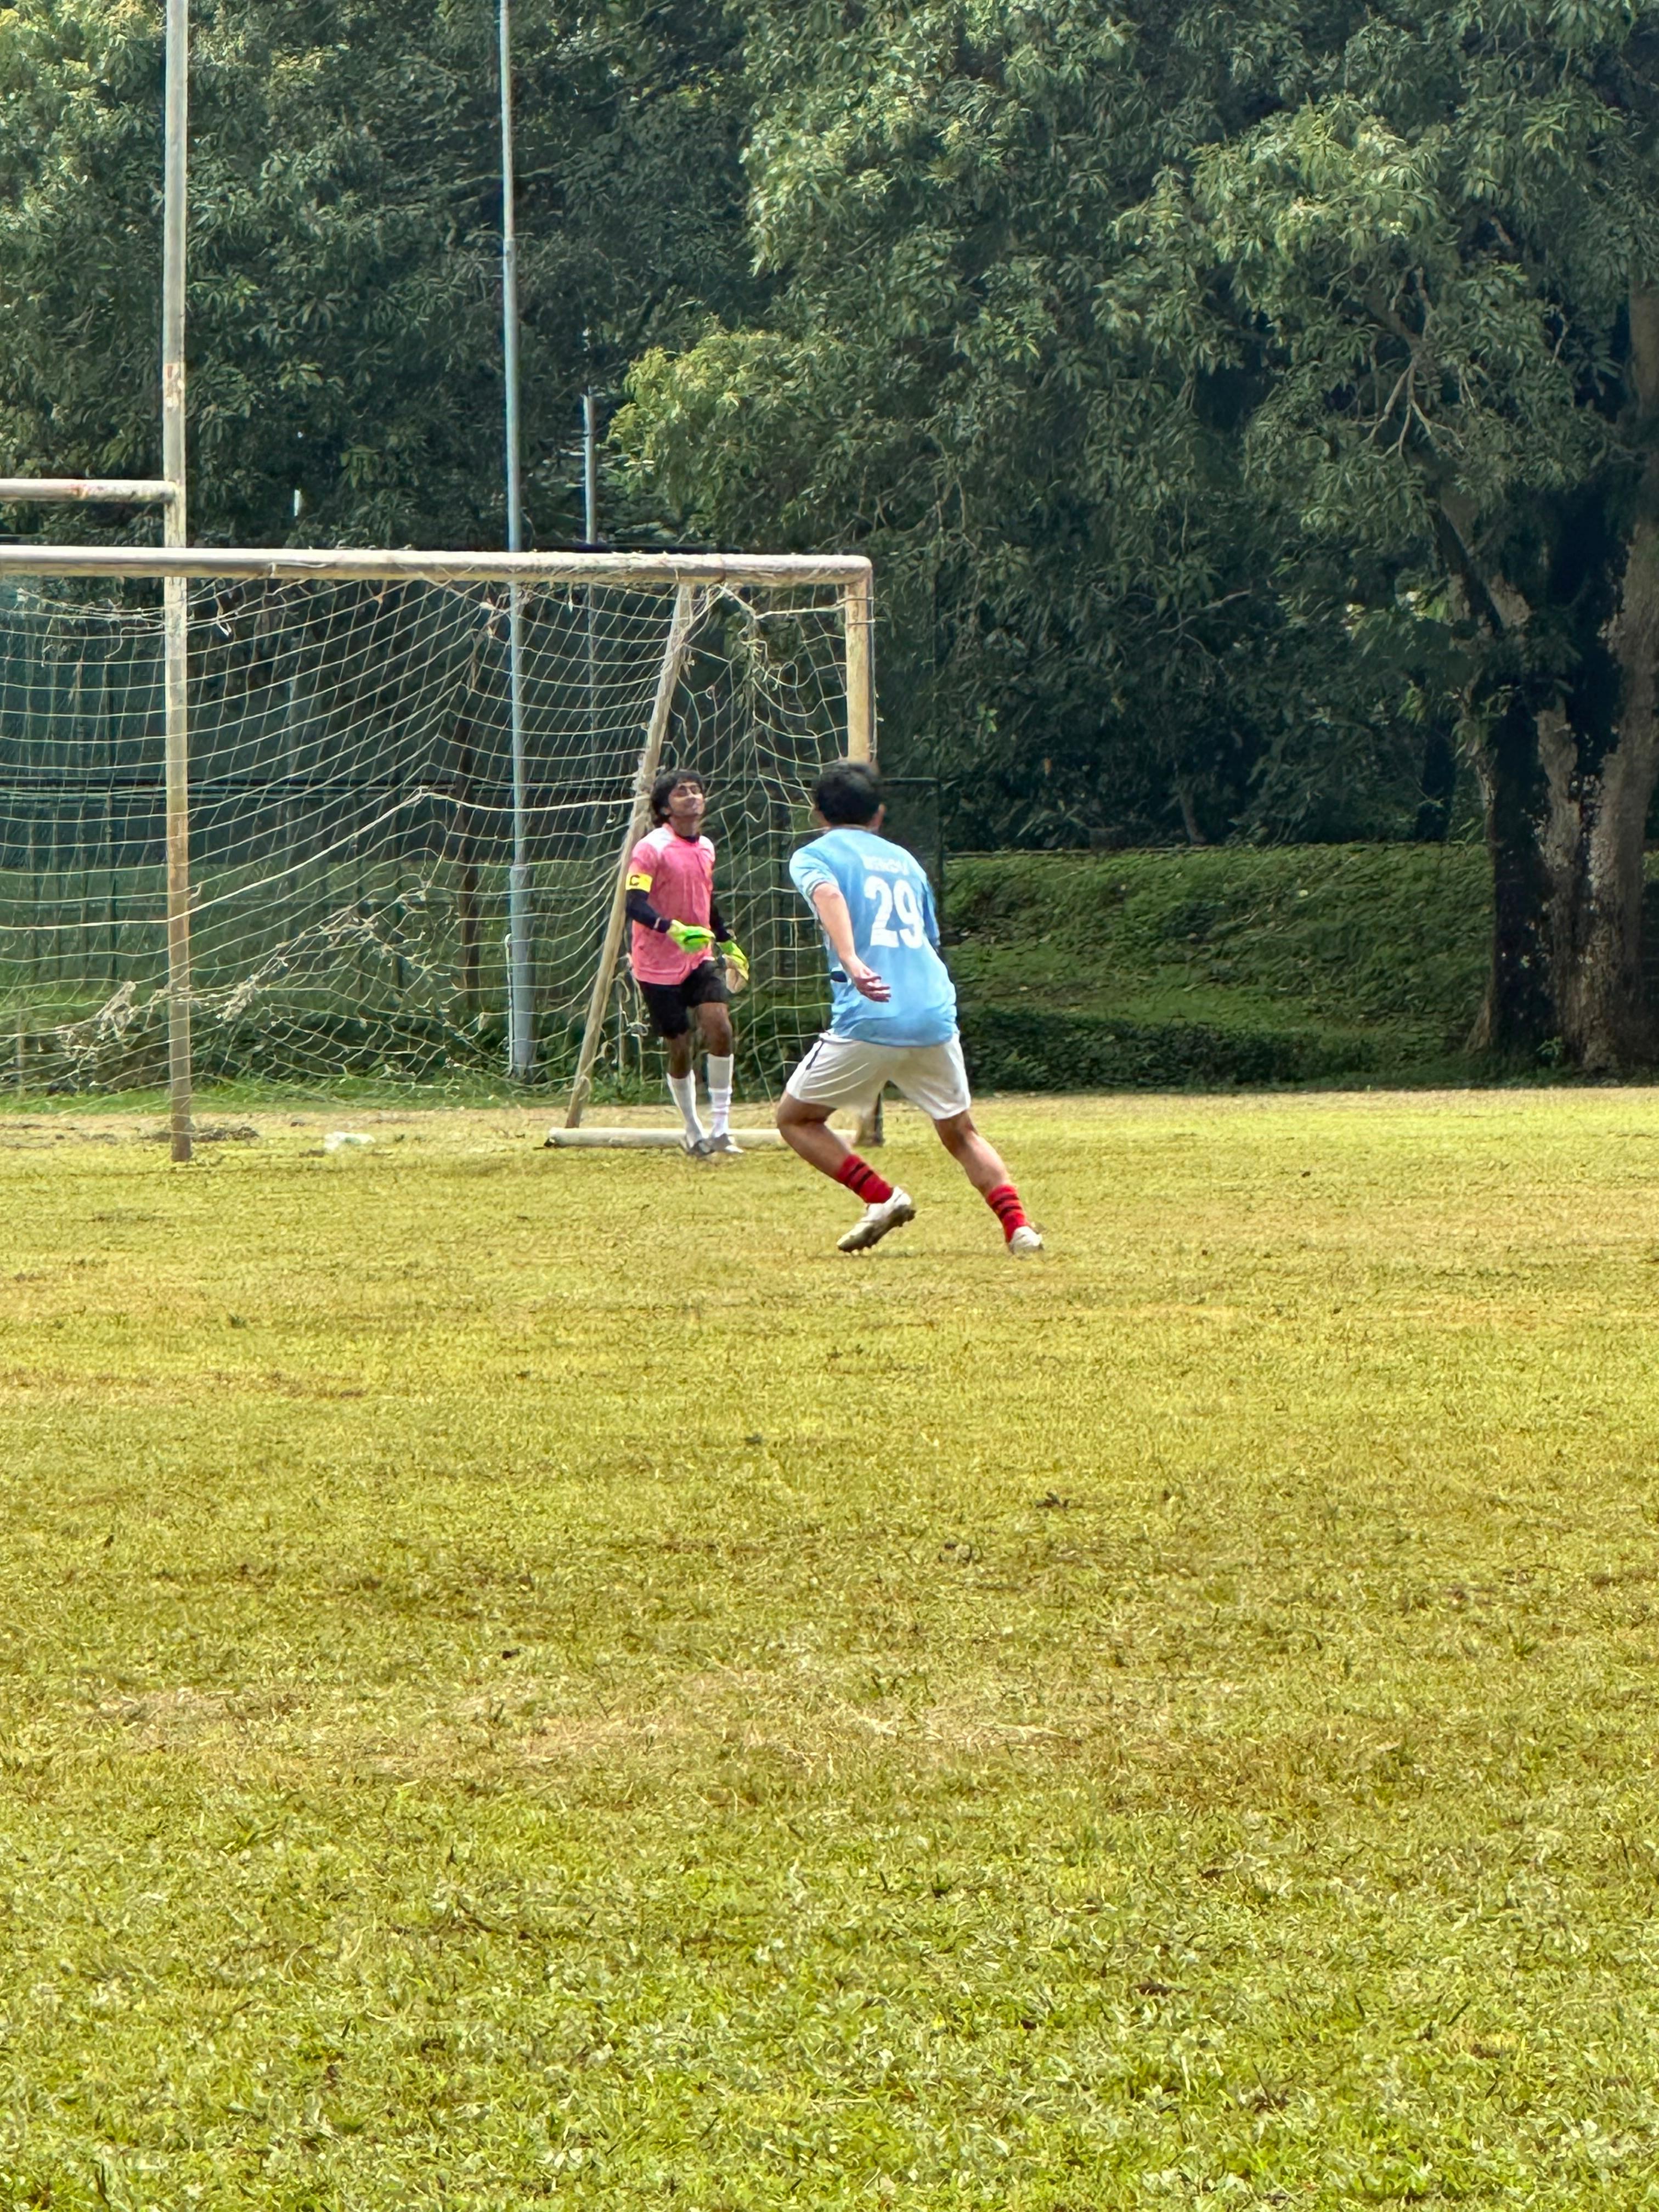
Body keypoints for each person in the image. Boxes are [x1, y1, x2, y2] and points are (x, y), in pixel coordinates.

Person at [777, 759, 1041, 1254]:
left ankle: (882, 1197)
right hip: (933, 1012)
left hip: (870, 1014)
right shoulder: (907, 863)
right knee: (961, 1132)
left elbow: (828, 895)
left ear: (818, 814)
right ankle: (1019, 1229)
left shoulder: (814, 855)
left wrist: (851, 958)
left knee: (796, 1119)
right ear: (879, 814)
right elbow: (928, 940)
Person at [624, 769, 749, 1155]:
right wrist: (671, 929)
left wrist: (728, 943)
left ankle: (722, 1129)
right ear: (665, 808)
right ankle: (693, 1129)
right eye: (682, 792)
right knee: (680, 1045)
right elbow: (634, 904)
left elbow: (706, 900)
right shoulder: (651, 848)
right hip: (656, 963)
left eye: (697, 790)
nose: (693, 796)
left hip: (698, 957)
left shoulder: (706, 847)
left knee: (720, 1027)